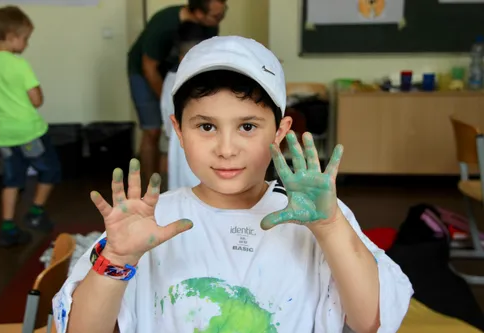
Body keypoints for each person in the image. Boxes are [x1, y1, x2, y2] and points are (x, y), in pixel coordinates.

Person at [53, 36, 413, 333]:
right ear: (178, 130)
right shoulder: (149, 222)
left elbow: (372, 324)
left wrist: (330, 226)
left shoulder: (321, 217)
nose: (226, 150)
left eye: (248, 126)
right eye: (206, 126)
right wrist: (117, 258)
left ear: (281, 130)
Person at [127, 0, 227, 187]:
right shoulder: (163, 24)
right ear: (198, 13)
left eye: (223, 13)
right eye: (216, 16)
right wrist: (175, 101)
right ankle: (151, 188)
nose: (219, 20)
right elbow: (149, 66)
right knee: (152, 130)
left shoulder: (210, 26)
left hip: (180, 73)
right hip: (146, 72)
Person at [0, 6, 61, 247]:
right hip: (30, 132)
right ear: (11, 36)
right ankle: (36, 212)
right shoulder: (19, 65)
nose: (26, 44)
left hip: (5, 136)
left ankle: (7, 227)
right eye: (25, 39)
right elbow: (36, 100)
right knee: (51, 171)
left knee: (12, 180)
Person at [160, 21, 211, 190]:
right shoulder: (209, 77)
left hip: (181, 142)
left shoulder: (171, 78)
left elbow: (167, 118)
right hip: (196, 146)